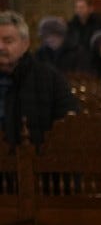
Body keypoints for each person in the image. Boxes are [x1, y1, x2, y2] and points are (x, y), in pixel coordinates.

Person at [0, 11, 78, 147]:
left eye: (8, 41)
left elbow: (70, 125)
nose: (0, 47)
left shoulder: (50, 78)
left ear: (25, 44)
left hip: (38, 155)